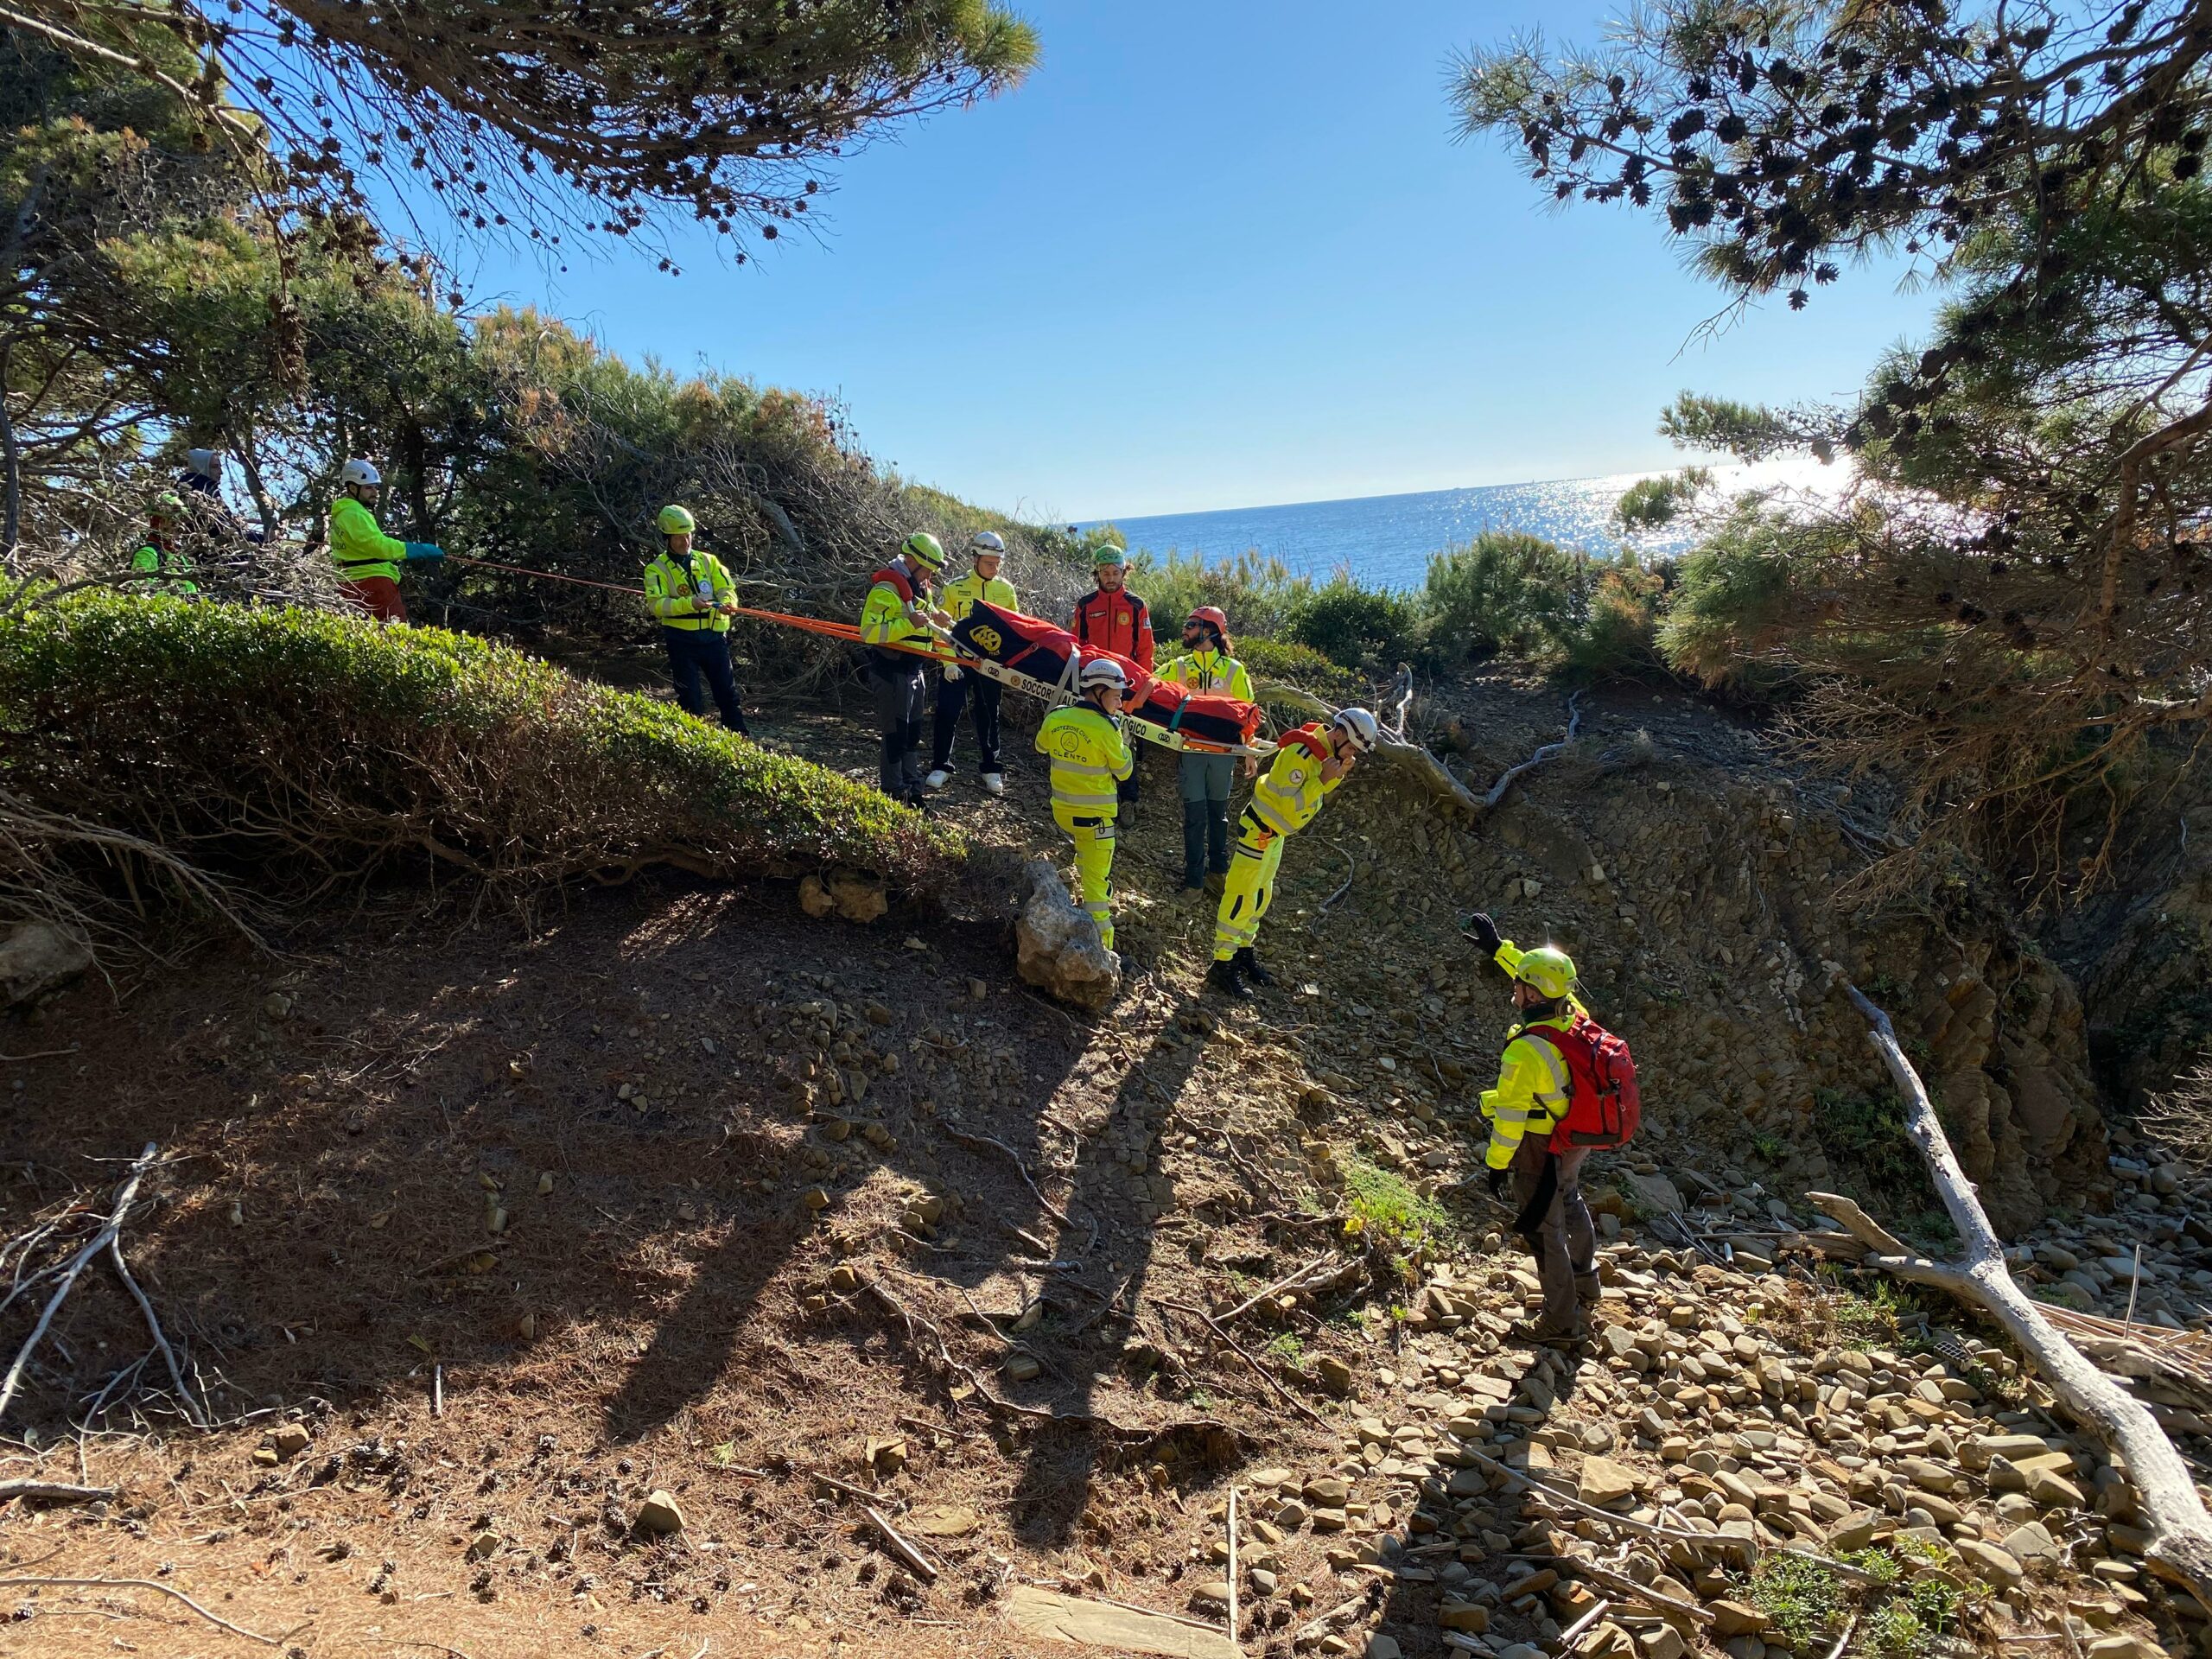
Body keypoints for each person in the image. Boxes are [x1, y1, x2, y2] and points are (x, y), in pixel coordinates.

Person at [1465, 916, 1599, 1348]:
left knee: (1545, 1229)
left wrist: (1496, 1165)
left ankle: (1561, 1324)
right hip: (1575, 1136)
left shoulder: (1525, 1050)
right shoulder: (1573, 1014)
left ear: (1533, 993)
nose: (1515, 988)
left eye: (1521, 984)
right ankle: (1585, 1285)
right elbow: (1540, 971)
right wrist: (1498, 948)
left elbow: (1510, 1117)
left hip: (1539, 1146)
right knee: (1570, 1197)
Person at [1208, 707, 1378, 997]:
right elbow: (1290, 803)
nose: (1351, 754)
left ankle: (1243, 951)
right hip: (1259, 832)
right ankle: (1221, 963)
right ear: (1337, 734)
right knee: (1241, 896)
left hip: (1275, 836)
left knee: (1261, 896)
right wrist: (1322, 780)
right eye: (1350, 747)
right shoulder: (1300, 754)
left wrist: (1331, 776)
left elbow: (1314, 793)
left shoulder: (1326, 757)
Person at [1036, 657, 1135, 953]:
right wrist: (1124, 743)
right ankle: (1102, 954)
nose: (1119, 704)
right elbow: (1125, 772)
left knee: (1086, 856)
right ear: (1100, 690)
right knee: (1096, 890)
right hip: (1096, 822)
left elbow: (1041, 745)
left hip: (1063, 814)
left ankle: (1082, 879)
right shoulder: (1107, 729)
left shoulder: (1057, 716)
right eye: (1117, 697)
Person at [1158, 605, 1255, 893]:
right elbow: (1151, 684)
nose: (1184, 630)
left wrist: (1248, 752)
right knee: (1194, 818)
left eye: (1190, 625)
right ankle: (1194, 883)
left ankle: (1217, 875)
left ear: (1209, 630)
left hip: (1223, 755)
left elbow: (1247, 713)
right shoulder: (1178, 666)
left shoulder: (1235, 670)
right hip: (1190, 751)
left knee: (1218, 815)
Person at [860, 531, 952, 804]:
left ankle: (914, 789)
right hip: (892, 672)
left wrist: (939, 619)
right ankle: (893, 791)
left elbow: (924, 620)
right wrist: (908, 624)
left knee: (912, 734)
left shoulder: (920, 587)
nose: (929, 576)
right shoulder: (886, 589)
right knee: (895, 734)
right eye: (927, 570)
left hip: (915, 671)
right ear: (912, 561)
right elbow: (869, 632)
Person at [641, 504, 749, 734]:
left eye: (688, 535)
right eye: (679, 537)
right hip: (682, 641)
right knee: (690, 698)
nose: (685, 541)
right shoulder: (656, 569)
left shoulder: (708, 561)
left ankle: (740, 740)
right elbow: (656, 605)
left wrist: (729, 603)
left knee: (727, 694)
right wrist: (689, 603)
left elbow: (726, 588)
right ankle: (694, 744)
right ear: (667, 538)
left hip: (714, 637)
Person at [925, 530, 1016, 797]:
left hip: (990, 665)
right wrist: (948, 663)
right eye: (989, 562)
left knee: (990, 716)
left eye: (998, 563)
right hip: (957, 661)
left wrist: (1008, 664)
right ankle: (941, 765)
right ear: (975, 558)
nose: (994, 567)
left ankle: (991, 769)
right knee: (947, 713)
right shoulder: (955, 587)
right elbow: (939, 630)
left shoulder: (1006, 589)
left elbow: (1014, 630)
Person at [1070, 546, 1154, 810]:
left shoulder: (1136, 605)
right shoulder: (1085, 605)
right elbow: (1076, 644)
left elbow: (1145, 650)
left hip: (1126, 684)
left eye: (1115, 572)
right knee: (1094, 736)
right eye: (1105, 572)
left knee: (1125, 740)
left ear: (1123, 572)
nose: (1110, 577)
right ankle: (1095, 795)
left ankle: (1128, 798)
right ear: (1098, 573)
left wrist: (1143, 686)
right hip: (1092, 683)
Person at [327, 459, 444, 622]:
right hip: (373, 583)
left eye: (375, 487)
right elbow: (379, 546)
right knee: (395, 635)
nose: (375, 492)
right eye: (368, 487)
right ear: (353, 488)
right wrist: (418, 550)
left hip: (348, 583)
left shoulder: (342, 514)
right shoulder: (354, 513)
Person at [128, 493, 198, 597]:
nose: (180, 529)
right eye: (174, 523)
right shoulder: (147, 554)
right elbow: (141, 592)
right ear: (159, 524)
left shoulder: (178, 558)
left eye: (181, 523)